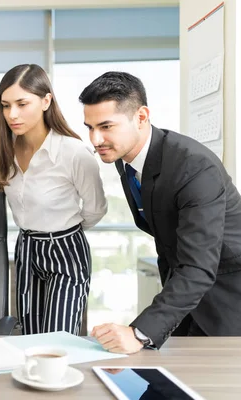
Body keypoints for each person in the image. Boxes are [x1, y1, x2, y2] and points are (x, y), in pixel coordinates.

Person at [80, 71, 241, 354]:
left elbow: (198, 266)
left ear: (141, 117)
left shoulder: (194, 168)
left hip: (228, 296)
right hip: (184, 295)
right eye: (90, 127)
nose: (95, 139)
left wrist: (140, 333)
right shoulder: (125, 159)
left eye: (106, 126)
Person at [0, 64, 107, 335]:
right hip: (27, 248)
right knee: (30, 336)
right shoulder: (5, 152)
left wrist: (65, 230)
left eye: (21, 103)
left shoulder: (74, 153)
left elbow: (96, 209)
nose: (12, 114)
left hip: (66, 249)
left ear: (46, 101)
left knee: (58, 338)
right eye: (5, 105)